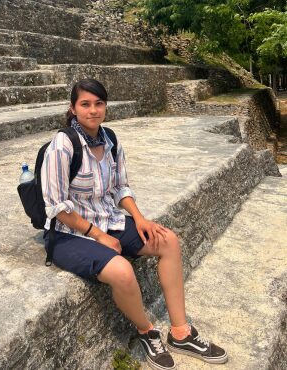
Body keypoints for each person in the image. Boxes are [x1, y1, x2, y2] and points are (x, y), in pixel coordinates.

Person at [41, 79, 227, 369]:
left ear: (106, 106)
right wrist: (99, 236)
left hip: (107, 219)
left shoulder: (110, 140)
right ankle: (146, 330)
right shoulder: (63, 145)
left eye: (99, 103)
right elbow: (57, 207)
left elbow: (120, 188)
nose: (93, 110)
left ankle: (181, 332)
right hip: (69, 233)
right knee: (122, 271)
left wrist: (139, 219)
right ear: (73, 108)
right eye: (85, 104)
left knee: (168, 240)